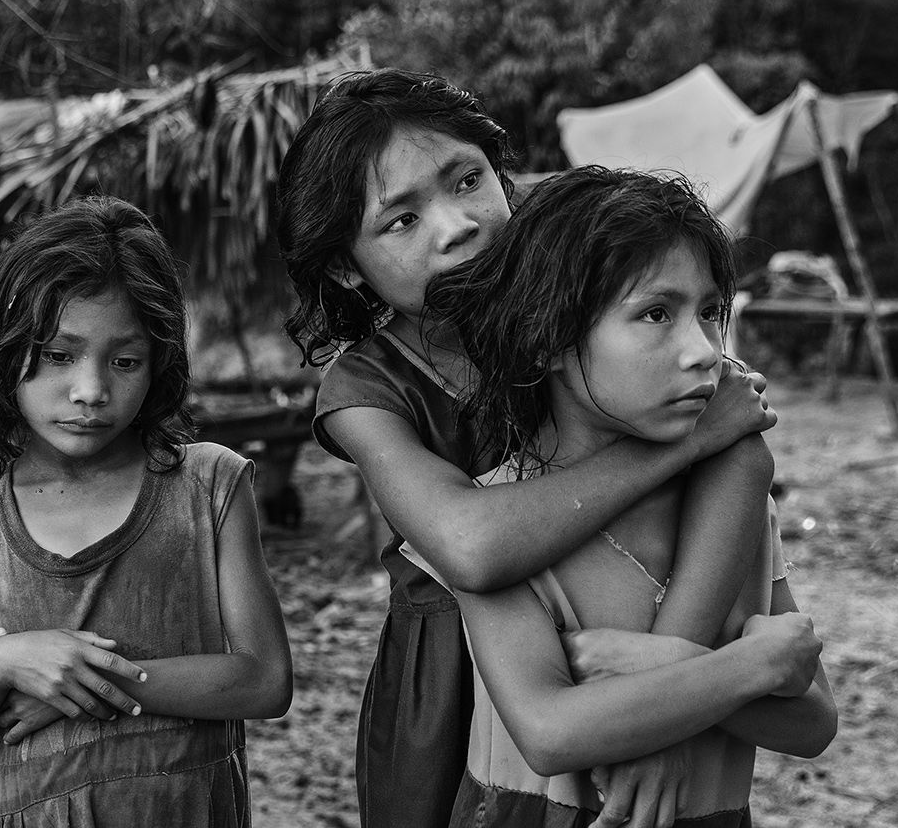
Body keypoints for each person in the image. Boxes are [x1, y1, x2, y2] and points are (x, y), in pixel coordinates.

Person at [274, 69, 778, 828]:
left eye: (468, 179)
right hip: (448, 681)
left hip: (622, 637)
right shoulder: (367, 390)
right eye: (401, 220)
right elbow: (471, 548)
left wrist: (666, 689)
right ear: (347, 263)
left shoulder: (587, 290)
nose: (456, 225)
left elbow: (741, 443)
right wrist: (687, 445)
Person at [413, 165, 837, 826]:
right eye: (656, 313)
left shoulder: (740, 508)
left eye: (710, 312)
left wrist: (658, 666)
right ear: (546, 338)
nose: (701, 351)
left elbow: (813, 722)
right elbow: (550, 730)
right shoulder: (505, 525)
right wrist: (751, 664)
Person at [0, 196, 293, 826]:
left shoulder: (207, 487)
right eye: (59, 356)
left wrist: (84, 685)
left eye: (125, 361)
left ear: (160, 359)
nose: (91, 391)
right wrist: (2, 664)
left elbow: (264, 681)